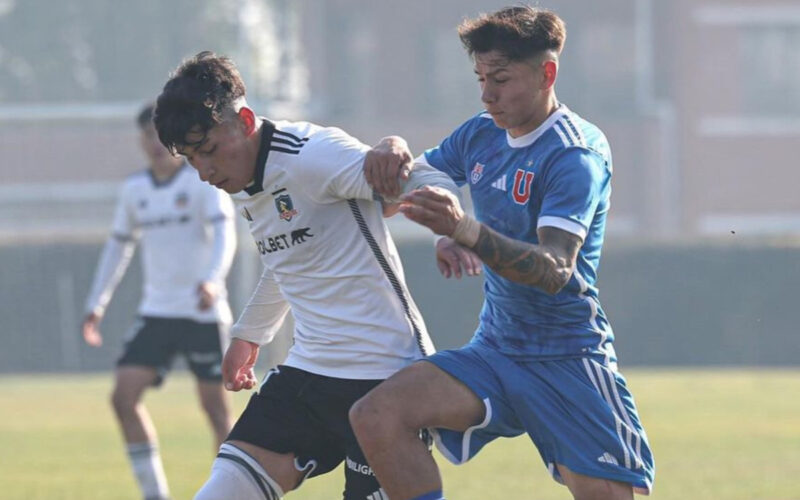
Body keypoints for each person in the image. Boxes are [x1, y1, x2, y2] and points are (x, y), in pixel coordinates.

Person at [350, 6, 655, 500]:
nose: (487, 94)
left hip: (568, 359)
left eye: (502, 79)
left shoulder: (574, 155)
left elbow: (555, 269)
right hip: (495, 351)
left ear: (546, 74)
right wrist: (393, 145)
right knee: (376, 415)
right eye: (480, 78)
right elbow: (410, 187)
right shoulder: (481, 133)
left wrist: (462, 229)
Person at [152, 51, 466, 500]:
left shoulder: (312, 156)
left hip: (384, 377)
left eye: (207, 151)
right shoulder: (240, 176)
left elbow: (424, 177)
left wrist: (450, 232)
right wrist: (249, 335)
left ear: (243, 121)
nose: (202, 171)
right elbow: (294, 254)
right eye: (189, 158)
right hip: (309, 373)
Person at [82, 103, 237, 500]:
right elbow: (118, 249)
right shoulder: (135, 190)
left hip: (202, 314)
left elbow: (225, 235)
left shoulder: (202, 180)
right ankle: (156, 495)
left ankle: (238, 490)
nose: (152, 143)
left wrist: (212, 282)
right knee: (123, 397)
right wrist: (97, 303)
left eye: (158, 134)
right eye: (145, 136)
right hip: (157, 312)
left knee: (216, 411)